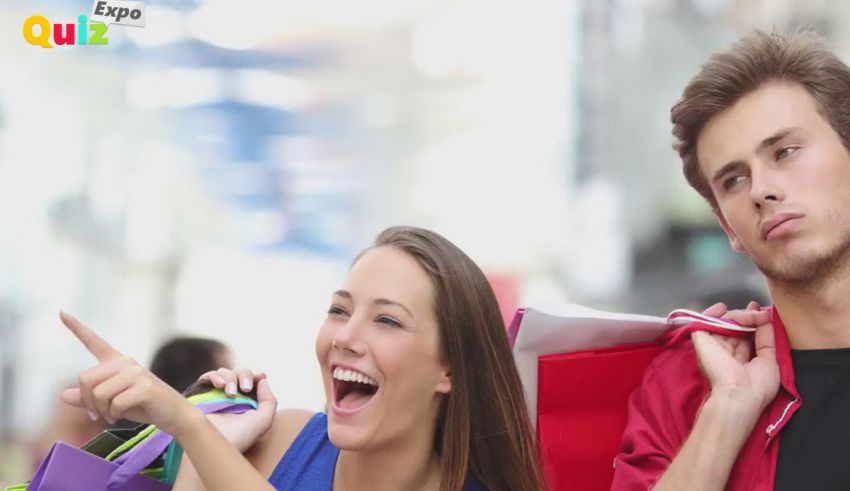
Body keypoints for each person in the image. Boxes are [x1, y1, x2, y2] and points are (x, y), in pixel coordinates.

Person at [58, 226, 546, 491]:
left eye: (388, 320)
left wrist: (192, 428)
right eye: (339, 310)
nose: (345, 336)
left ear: (450, 369)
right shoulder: (280, 440)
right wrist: (202, 457)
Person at [612, 30, 850, 490]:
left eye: (785, 152)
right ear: (728, 229)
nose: (762, 189)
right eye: (734, 180)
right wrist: (726, 414)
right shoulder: (687, 387)